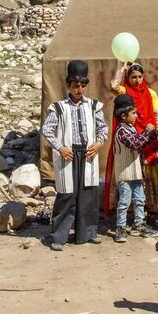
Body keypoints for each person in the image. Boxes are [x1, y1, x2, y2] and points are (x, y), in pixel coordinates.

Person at [41, 60, 109, 251]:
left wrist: (98, 143)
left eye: (82, 86)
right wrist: (60, 147)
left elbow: (103, 128)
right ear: (68, 85)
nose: (79, 90)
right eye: (75, 86)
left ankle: (88, 233)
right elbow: (48, 130)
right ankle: (59, 236)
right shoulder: (59, 107)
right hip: (68, 155)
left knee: (88, 194)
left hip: (88, 154)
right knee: (67, 195)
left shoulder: (94, 106)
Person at [108, 61, 158, 225]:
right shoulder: (124, 91)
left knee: (150, 175)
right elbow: (113, 87)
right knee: (131, 175)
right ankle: (131, 215)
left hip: (149, 139)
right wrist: (122, 69)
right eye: (133, 77)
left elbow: (157, 114)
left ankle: (154, 213)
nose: (137, 80)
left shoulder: (151, 93)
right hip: (132, 138)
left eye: (140, 77)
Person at [111, 93, 158, 242]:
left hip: (136, 173)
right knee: (125, 202)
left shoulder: (130, 129)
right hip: (125, 174)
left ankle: (139, 224)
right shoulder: (121, 131)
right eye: (133, 113)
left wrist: (152, 135)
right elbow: (135, 144)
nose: (136, 115)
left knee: (140, 200)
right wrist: (146, 131)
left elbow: (140, 143)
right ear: (124, 116)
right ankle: (120, 228)